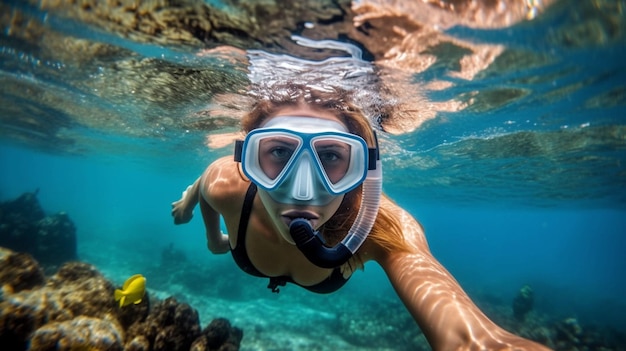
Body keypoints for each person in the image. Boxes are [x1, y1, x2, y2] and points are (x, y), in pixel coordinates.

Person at [171, 84, 550, 350]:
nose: (302, 190)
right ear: (248, 160)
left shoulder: (378, 225)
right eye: (280, 153)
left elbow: (471, 340)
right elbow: (204, 187)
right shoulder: (228, 184)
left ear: (362, 169)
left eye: (332, 156)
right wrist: (210, 235)